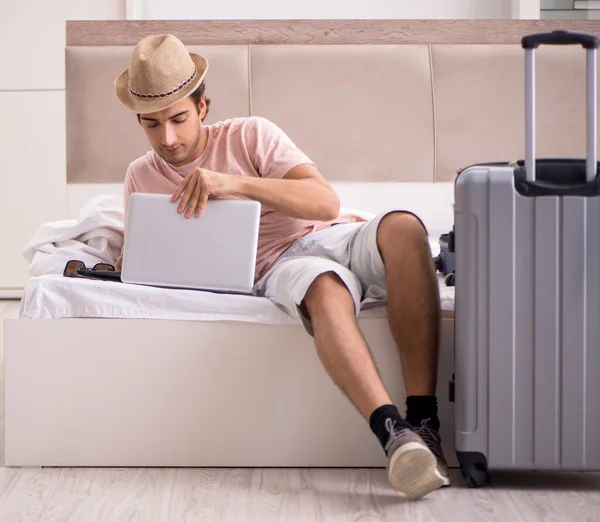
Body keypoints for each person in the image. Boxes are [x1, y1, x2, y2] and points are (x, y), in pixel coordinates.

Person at [114, 34, 450, 500]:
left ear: (203, 107)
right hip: (276, 266)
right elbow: (144, 258)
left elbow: (324, 201)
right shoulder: (141, 175)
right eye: (151, 125)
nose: (167, 138)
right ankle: (395, 435)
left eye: (178, 119)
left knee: (407, 229)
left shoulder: (251, 134)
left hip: (330, 232)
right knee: (323, 285)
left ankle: (424, 420)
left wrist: (235, 183)